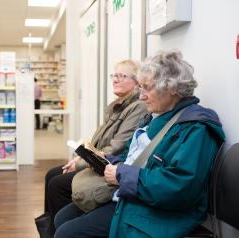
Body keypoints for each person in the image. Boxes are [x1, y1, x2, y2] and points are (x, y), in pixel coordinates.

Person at [53, 50, 225, 238]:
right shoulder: (156, 117)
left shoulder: (196, 129)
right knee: (62, 217)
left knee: (66, 232)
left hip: (160, 209)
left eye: (147, 88)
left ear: (172, 89)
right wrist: (108, 160)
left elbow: (179, 187)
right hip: (137, 193)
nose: (141, 96)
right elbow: (134, 157)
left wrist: (121, 174)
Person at [35, 60, 148, 237]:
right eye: (114, 75)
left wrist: (83, 162)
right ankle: (49, 230)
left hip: (107, 165)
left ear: (136, 82)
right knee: (52, 174)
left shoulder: (137, 107)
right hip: (97, 161)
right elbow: (99, 140)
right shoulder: (118, 106)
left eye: (122, 75)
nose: (115, 79)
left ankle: (54, 232)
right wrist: (81, 158)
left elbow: (117, 146)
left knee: (57, 183)